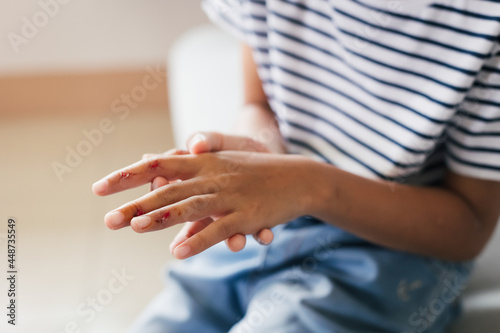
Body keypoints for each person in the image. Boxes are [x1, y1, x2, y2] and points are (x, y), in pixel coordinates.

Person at [92, 1, 500, 332]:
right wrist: (257, 155)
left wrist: (309, 186)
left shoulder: (483, 22)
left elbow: (470, 228)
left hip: (393, 255)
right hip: (263, 234)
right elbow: (259, 104)